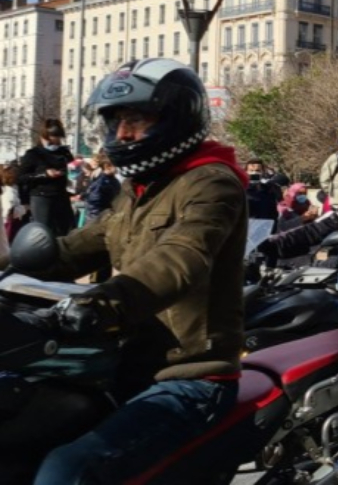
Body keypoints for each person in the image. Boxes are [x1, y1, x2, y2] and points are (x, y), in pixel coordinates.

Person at [6, 58, 248, 484]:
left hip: (187, 375)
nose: (122, 134)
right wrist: (18, 259)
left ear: (176, 118)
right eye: (115, 121)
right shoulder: (137, 190)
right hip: (120, 365)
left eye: (134, 120)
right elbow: (84, 243)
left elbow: (182, 256)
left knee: (66, 470)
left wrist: (103, 302)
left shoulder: (211, 182)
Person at [18, 118, 75, 236]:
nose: (55, 142)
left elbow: (71, 165)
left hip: (61, 196)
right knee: (44, 232)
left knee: (67, 231)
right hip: (42, 197)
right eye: (51, 139)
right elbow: (21, 177)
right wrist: (44, 174)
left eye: (57, 138)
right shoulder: (33, 154)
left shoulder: (63, 152)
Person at [83, 151, 121, 226]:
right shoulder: (102, 182)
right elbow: (95, 203)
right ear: (107, 166)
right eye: (115, 165)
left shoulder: (112, 180)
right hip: (99, 219)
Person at [244, 158, 283, 224]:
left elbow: (275, 209)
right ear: (246, 172)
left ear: (263, 172)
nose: (254, 173)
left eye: (258, 170)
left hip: (267, 228)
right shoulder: (241, 190)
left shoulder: (270, 189)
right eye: (251, 170)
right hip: (249, 228)